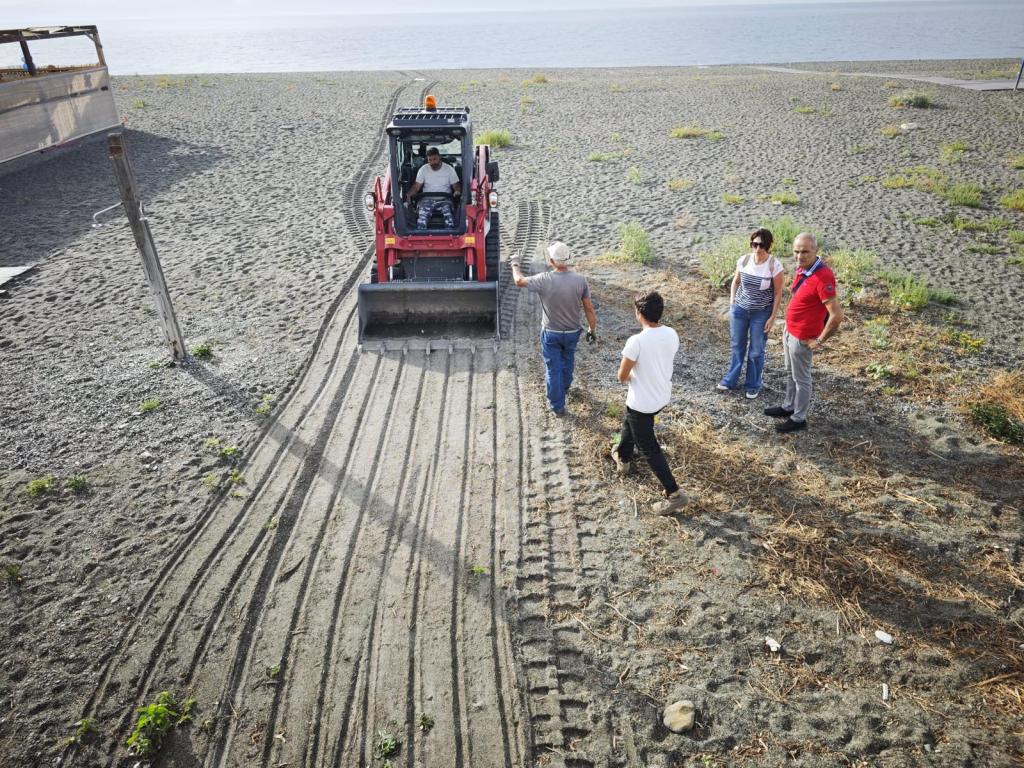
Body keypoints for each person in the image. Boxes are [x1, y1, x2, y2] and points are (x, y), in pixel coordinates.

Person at [609, 292, 689, 514]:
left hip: (642, 402)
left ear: (639, 313)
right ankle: (623, 456)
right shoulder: (671, 333)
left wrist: (632, 377)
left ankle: (674, 494)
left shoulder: (636, 341)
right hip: (661, 395)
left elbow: (622, 376)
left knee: (649, 447)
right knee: (631, 422)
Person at [764, 232, 843, 433]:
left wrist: (820, 340)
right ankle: (788, 406)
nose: (800, 256)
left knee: (802, 378)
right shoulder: (803, 269)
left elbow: (836, 316)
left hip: (803, 337)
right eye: (796, 251)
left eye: (805, 252)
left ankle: (799, 418)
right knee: (790, 372)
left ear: (816, 251)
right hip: (790, 330)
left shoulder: (823, 276)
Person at [511, 242, 597, 416]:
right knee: (568, 359)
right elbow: (588, 308)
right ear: (568, 258)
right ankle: (564, 386)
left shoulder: (544, 279)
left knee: (553, 368)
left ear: (551, 261)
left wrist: (515, 264)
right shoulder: (580, 280)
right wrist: (592, 329)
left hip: (551, 333)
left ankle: (557, 406)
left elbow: (519, 281)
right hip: (572, 332)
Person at [717, 227, 784, 399]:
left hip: (761, 313)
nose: (758, 248)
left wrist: (773, 317)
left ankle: (753, 384)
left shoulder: (774, 265)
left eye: (762, 245)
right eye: (755, 244)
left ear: (768, 246)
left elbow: (778, 293)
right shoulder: (744, 260)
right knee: (737, 346)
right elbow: (736, 281)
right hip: (740, 310)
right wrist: (732, 303)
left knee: (756, 350)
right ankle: (730, 380)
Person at [406, 147, 460, 229]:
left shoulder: (449, 169)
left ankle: (449, 235)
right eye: (430, 160)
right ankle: (421, 235)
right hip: (427, 199)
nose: (432, 162)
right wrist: (409, 194)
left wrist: (457, 191)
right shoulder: (423, 170)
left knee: (449, 219)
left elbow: (456, 186)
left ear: (439, 157)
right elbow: (416, 187)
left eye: (434, 159)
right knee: (421, 220)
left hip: (445, 199)